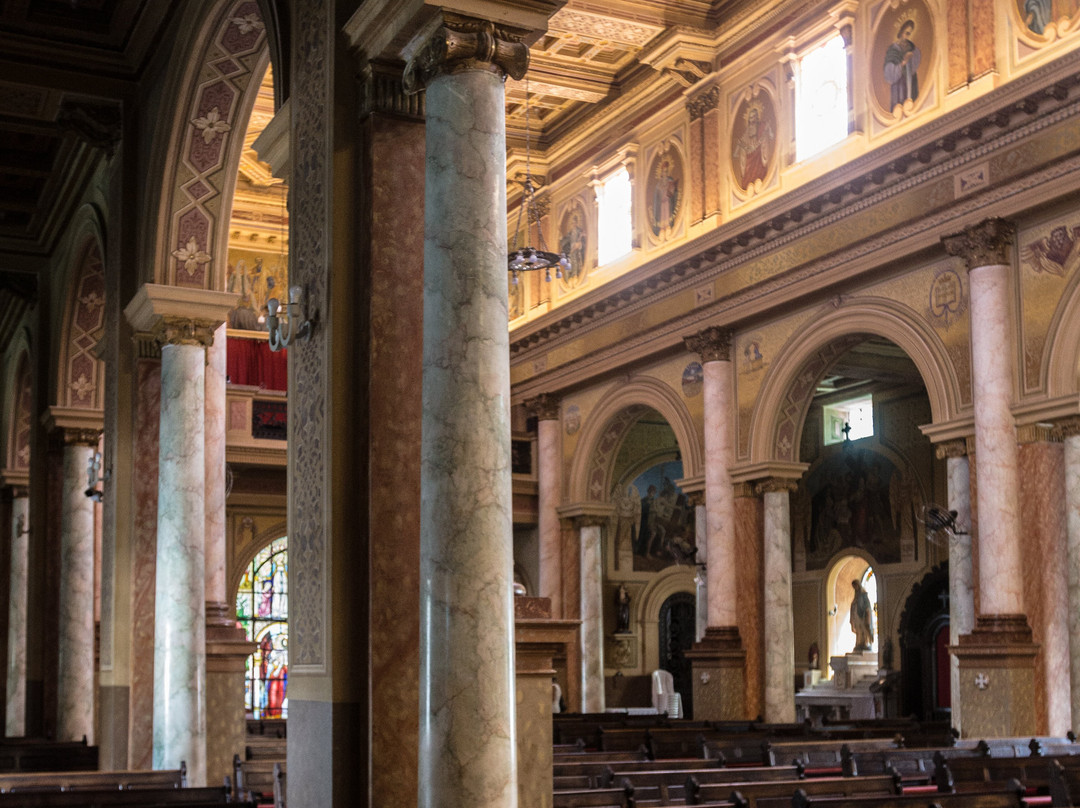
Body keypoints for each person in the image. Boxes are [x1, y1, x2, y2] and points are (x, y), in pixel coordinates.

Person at [732, 102, 774, 190]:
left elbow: (770, 135)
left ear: (757, 118)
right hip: (749, 160)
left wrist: (766, 133)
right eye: (750, 118)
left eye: (754, 117)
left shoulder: (762, 126)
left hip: (759, 158)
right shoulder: (747, 132)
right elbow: (742, 145)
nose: (752, 120)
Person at [884, 18, 921, 110]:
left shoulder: (911, 47)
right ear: (901, 32)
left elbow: (915, 64)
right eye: (906, 33)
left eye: (910, 34)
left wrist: (912, 56)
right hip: (899, 84)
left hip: (910, 81)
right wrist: (903, 62)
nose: (907, 37)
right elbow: (889, 72)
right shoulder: (893, 50)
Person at [850, 579, 874, 652]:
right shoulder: (856, 595)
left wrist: (867, 611)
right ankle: (859, 643)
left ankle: (865, 643)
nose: (854, 588)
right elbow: (854, 603)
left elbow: (867, 605)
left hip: (863, 615)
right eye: (853, 587)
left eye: (855, 586)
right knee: (859, 630)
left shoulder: (863, 595)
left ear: (858, 585)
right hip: (857, 615)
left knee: (864, 629)